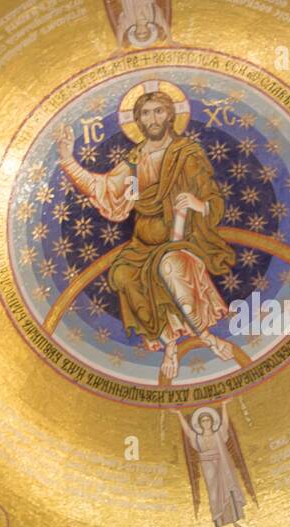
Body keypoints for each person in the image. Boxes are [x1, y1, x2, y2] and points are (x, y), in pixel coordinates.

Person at [59, 90, 236, 380]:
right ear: (138, 120)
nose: (152, 119)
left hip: (184, 239)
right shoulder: (134, 162)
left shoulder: (186, 155)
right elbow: (107, 191)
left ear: (170, 115)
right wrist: (68, 160)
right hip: (143, 245)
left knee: (170, 268)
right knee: (123, 275)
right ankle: (169, 346)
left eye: (158, 111)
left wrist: (197, 203)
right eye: (145, 113)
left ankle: (208, 338)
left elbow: (213, 200)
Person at [177, 404, 251, 527]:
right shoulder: (197, 437)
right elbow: (187, 431)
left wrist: (224, 405)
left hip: (222, 464)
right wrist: (178, 414)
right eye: (203, 421)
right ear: (199, 424)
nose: (206, 423)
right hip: (208, 468)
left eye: (208, 420)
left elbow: (225, 423)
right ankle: (217, 526)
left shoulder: (219, 433)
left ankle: (235, 521)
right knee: (214, 496)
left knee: (229, 492)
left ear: (212, 421)